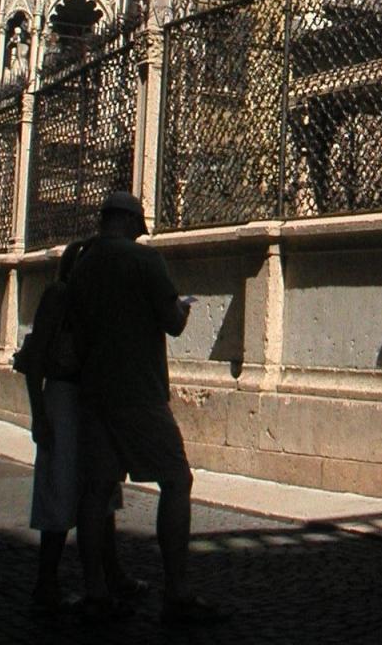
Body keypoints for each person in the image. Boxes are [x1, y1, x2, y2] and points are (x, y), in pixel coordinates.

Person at [68, 191, 227, 625]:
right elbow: (172, 323)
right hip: (139, 391)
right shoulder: (145, 261)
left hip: (94, 390)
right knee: (176, 479)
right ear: (129, 221)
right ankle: (177, 593)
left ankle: (95, 592)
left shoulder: (82, 263)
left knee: (96, 490)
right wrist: (182, 310)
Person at [24, 238, 144, 613]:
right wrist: (38, 414)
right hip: (63, 398)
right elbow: (36, 357)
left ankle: (111, 574)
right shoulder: (59, 296)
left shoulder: (99, 301)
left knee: (101, 488)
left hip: (94, 398)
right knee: (59, 485)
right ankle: (46, 581)